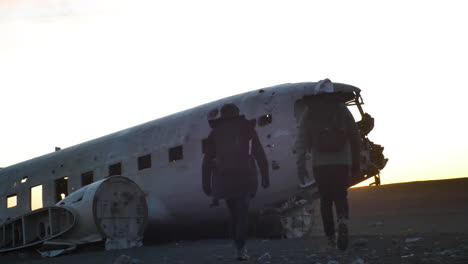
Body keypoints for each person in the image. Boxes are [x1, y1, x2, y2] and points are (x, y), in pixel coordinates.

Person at [295, 83, 360, 251]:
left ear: (317, 93)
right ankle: (343, 221)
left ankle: (330, 238)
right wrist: (356, 164)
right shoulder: (341, 109)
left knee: (325, 200)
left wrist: (300, 164)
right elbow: (355, 136)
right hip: (341, 162)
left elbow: (301, 140)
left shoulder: (310, 111)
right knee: (341, 196)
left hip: (320, 164)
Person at [202, 103, 270, 261]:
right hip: (244, 177)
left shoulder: (214, 133)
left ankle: (238, 247)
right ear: (236, 113)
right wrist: (265, 175)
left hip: (224, 179)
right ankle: (241, 248)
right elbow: (258, 152)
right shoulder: (246, 127)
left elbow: (207, 161)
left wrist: (206, 184)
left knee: (233, 214)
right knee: (242, 214)